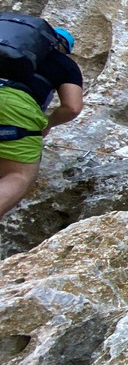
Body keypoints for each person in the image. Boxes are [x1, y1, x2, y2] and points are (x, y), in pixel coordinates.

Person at [0, 17, 83, 218]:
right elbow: (72, 107)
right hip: (15, 108)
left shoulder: (7, 47)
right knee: (18, 174)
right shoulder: (65, 64)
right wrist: (48, 124)